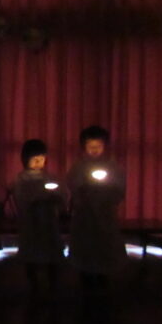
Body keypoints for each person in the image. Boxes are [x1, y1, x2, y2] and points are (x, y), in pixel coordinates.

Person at [67, 125, 125, 292]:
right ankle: (86, 283)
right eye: (90, 146)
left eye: (98, 146)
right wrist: (85, 189)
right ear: (83, 147)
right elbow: (73, 186)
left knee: (103, 252)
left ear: (104, 146)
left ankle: (103, 283)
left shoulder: (112, 167)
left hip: (105, 216)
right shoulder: (79, 167)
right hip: (85, 217)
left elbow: (119, 190)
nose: (94, 150)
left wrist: (106, 191)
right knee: (85, 252)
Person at [12, 139, 66, 297]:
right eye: (34, 158)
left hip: (49, 222)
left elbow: (62, 195)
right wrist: (39, 197)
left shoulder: (50, 177)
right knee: (32, 254)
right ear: (25, 159)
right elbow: (21, 198)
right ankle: (34, 287)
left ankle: (53, 286)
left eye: (41, 158)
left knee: (51, 254)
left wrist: (57, 198)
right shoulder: (22, 179)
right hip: (31, 223)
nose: (38, 162)